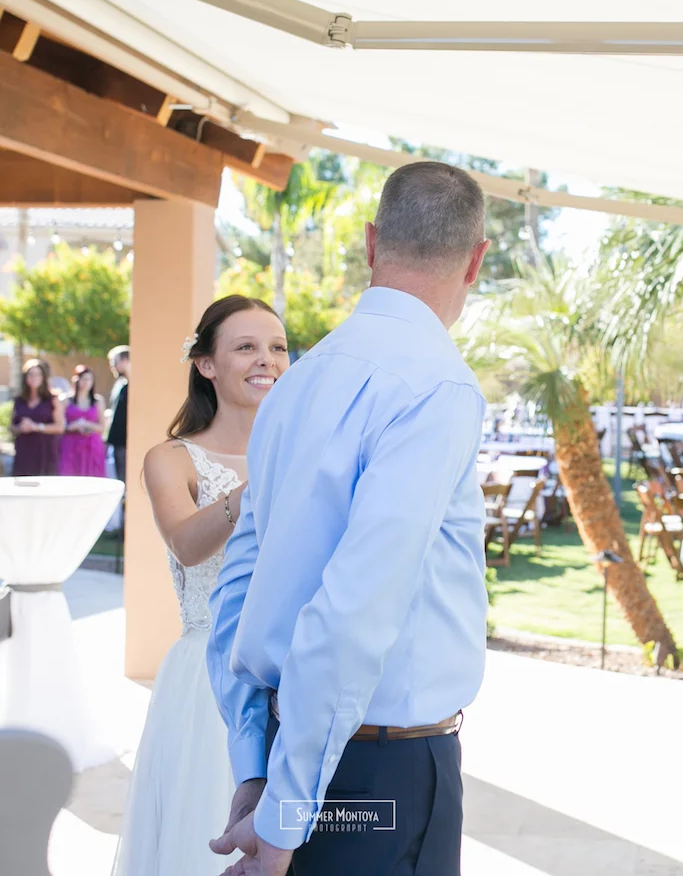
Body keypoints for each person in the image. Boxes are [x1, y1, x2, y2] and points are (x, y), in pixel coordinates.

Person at [208, 161, 490, 876]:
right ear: (476, 261)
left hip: (290, 749)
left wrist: (257, 767)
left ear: (370, 242)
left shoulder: (297, 382)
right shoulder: (438, 387)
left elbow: (238, 582)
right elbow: (355, 609)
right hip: (386, 770)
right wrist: (284, 819)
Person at [112, 295, 289, 876]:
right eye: (246, 347)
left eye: (277, 347)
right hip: (209, 676)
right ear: (206, 364)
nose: (266, 360)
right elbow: (187, 544)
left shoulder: (303, 452)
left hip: (294, 674)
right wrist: (254, 489)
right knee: (203, 835)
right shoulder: (172, 458)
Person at [11, 358, 65, 476]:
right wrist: (21, 428)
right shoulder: (19, 400)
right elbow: (12, 427)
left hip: (45, 453)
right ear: (25, 377)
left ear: (43, 377)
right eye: (30, 374)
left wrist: (36, 426)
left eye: (37, 374)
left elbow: (60, 427)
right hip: (24, 453)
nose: (34, 377)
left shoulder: (53, 399)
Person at [59, 366, 107, 477]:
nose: (86, 382)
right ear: (77, 380)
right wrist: (75, 426)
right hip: (71, 445)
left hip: (92, 447)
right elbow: (61, 425)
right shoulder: (66, 400)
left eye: (89, 379)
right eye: (84, 379)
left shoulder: (98, 401)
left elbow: (102, 427)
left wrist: (86, 424)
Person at [107, 345, 130, 484]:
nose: (112, 367)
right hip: (116, 442)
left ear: (125, 361)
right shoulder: (120, 385)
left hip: (126, 442)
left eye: (114, 362)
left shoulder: (135, 385)